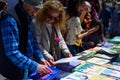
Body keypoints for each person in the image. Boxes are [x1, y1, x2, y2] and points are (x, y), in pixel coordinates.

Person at [0, 0, 51, 80]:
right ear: (24, 3)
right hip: (14, 70)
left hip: (26, 66)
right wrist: (35, 66)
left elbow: (33, 41)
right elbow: (12, 52)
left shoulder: (28, 15)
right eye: (34, 7)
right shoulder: (9, 19)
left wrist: (40, 57)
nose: (37, 11)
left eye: (38, 8)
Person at [33, 0, 72, 65]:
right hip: (42, 60)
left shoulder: (55, 24)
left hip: (55, 57)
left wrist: (66, 51)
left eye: (56, 18)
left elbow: (59, 39)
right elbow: (37, 44)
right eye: (49, 17)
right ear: (44, 13)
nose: (52, 20)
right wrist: (48, 56)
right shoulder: (37, 23)